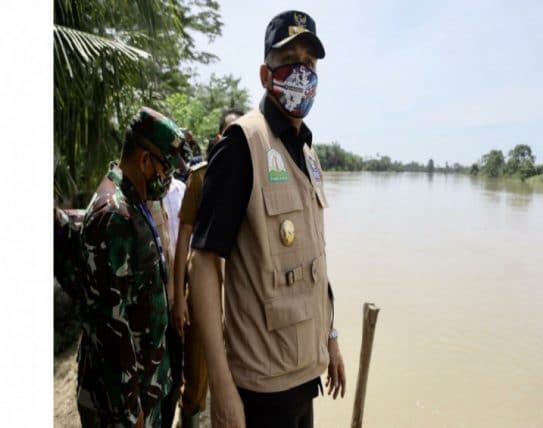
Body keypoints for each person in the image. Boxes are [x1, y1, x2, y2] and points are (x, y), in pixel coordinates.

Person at [188, 10, 346, 428]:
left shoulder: (309, 155)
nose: (301, 71)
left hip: (303, 374)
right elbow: (202, 264)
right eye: (289, 59)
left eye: (309, 63)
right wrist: (220, 388)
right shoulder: (243, 144)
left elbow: (316, 258)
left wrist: (331, 338)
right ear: (265, 73)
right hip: (259, 387)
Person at [76, 107, 183, 427]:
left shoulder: (133, 202)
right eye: (165, 166)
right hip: (122, 406)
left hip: (144, 389)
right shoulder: (114, 215)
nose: (169, 176)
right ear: (144, 160)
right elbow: (110, 324)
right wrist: (129, 411)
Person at [171, 108, 245, 428]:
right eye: (229, 132)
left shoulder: (252, 176)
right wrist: (178, 297)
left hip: (240, 294)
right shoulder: (201, 177)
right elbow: (184, 238)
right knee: (196, 381)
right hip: (205, 291)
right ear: (218, 138)